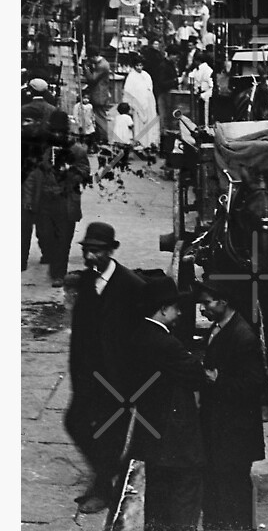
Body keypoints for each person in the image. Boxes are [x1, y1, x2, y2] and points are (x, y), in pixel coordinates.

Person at [65, 223, 146, 513]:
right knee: (74, 422)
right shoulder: (87, 281)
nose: (90, 257)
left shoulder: (131, 286)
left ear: (112, 251)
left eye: (96, 251)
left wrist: (136, 381)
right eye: (86, 250)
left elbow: (142, 335)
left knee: (109, 435)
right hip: (88, 376)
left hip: (118, 379)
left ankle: (104, 490)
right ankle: (108, 474)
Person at [129, 276, 204, 531]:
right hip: (175, 435)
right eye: (176, 307)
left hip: (150, 431)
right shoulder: (166, 343)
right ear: (162, 309)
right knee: (184, 493)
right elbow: (195, 374)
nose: (179, 313)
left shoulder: (139, 335)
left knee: (157, 495)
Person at [197, 279, 268, 531]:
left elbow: (254, 383)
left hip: (234, 432)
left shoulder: (242, 336)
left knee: (234, 489)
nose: (202, 309)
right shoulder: (220, 327)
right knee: (218, 487)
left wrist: (217, 380)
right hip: (221, 429)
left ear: (223, 302)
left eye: (206, 303)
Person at [36, 109, 91, 287]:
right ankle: (52, 262)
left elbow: (84, 171)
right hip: (45, 200)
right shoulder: (41, 149)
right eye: (55, 132)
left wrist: (70, 173)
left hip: (66, 201)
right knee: (46, 236)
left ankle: (59, 274)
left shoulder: (77, 150)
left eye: (61, 132)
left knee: (63, 240)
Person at [21, 79, 61, 271]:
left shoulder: (24, 109)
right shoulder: (53, 110)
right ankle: (47, 253)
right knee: (44, 218)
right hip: (46, 168)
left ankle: (21, 258)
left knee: (25, 217)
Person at [122, 55, 160, 150]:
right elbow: (128, 92)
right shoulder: (131, 76)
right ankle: (140, 143)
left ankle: (149, 142)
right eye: (137, 65)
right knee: (139, 123)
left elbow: (150, 88)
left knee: (149, 122)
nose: (139, 68)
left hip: (148, 102)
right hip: (137, 104)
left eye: (141, 65)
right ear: (134, 66)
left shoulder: (146, 75)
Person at [83, 47, 111, 146]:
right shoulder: (102, 63)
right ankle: (101, 139)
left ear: (93, 56)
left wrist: (86, 68)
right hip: (100, 94)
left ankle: (104, 140)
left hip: (99, 95)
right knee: (99, 117)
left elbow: (92, 78)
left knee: (100, 118)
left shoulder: (102, 65)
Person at [188, 50, 214, 127]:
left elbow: (212, 86)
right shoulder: (195, 70)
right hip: (197, 97)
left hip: (206, 98)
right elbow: (191, 79)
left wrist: (204, 95)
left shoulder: (208, 70)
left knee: (205, 119)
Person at [112, 102, 135, 166]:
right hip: (125, 135)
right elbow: (131, 126)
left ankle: (118, 160)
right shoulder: (128, 117)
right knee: (126, 149)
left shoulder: (117, 117)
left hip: (117, 135)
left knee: (119, 149)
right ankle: (124, 161)